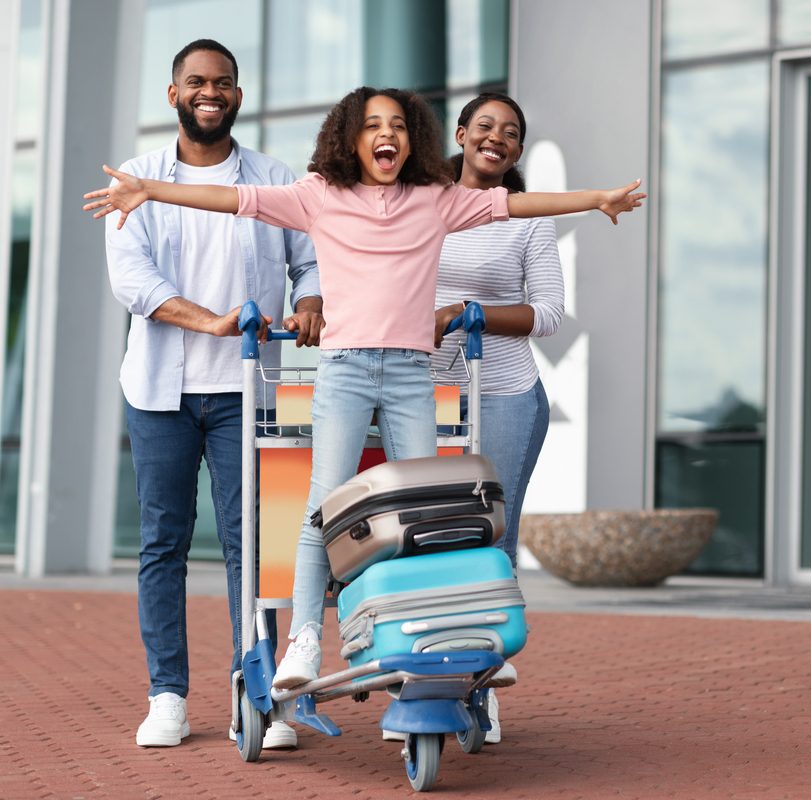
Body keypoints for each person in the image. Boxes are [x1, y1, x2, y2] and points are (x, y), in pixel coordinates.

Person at [84, 85, 645, 717]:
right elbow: (231, 199)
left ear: (415, 140)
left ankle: (441, 631)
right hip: (345, 372)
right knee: (322, 508)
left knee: (431, 508)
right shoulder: (318, 197)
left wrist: (596, 200)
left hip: (412, 376)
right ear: (351, 138)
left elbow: (518, 205)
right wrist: (151, 189)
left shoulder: (437, 201)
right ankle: (302, 641)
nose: (388, 134)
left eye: (400, 125)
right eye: (374, 125)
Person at [102, 39, 323, 750]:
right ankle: (167, 695)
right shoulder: (136, 178)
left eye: (223, 83)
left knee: (253, 548)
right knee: (162, 545)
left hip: (250, 390)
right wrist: (210, 321)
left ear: (237, 94)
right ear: (174, 94)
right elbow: (131, 281)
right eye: (196, 82)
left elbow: (310, 257)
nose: (210, 92)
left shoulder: (272, 178)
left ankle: (252, 693)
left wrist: (313, 298)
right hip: (160, 392)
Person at [431, 93, 561, 744]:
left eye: (510, 133)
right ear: (461, 134)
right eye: (485, 126)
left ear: (515, 151)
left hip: (506, 391)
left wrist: (464, 312)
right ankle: (431, 673)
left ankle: (482, 678)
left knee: (491, 536)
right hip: (425, 392)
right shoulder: (421, 202)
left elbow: (550, 313)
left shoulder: (526, 218)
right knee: (430, 535)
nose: (497, 137)